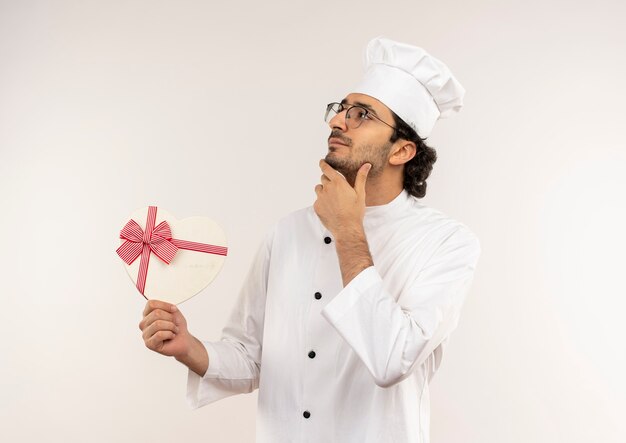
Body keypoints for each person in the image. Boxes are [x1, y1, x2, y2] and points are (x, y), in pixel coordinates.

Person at [139, 36, 481, 442]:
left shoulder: (447, 243)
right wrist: (188, 347)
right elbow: (251, 358)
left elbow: (392, 359)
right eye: (341, 110)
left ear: (402, 151)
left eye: (362, 114)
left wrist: (348, 231)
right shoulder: (286, 233)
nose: (337, 121)